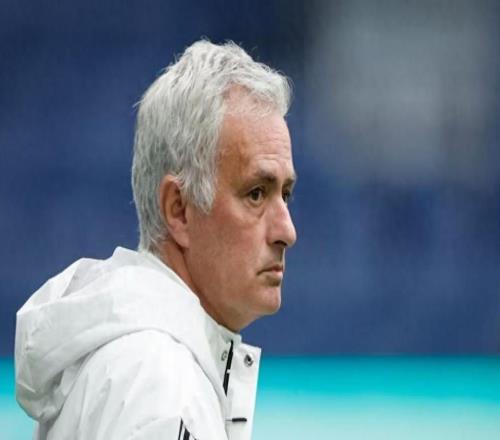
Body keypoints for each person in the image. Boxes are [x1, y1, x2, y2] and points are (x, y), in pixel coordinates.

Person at [15, 39, 296, 440]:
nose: (287, 231)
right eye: (256, 194)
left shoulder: (136, 366)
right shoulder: (160, 385)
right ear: (179, 209)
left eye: (286, 194)